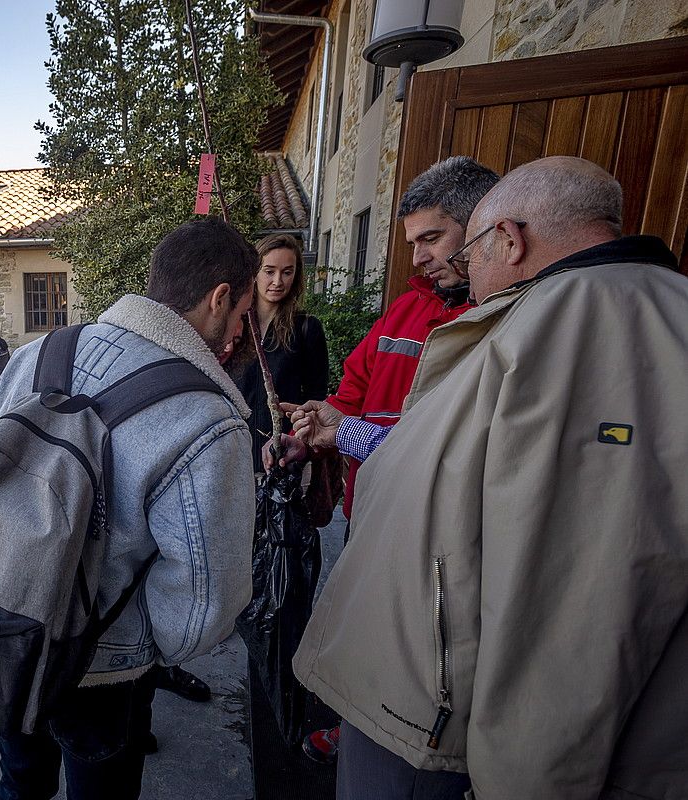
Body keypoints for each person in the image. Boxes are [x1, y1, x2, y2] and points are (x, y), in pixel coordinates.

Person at [287, 156, 688, 799]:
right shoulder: (523, 317)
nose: (461, 267)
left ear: (508, 238)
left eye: (455, 244)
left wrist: (522, 776)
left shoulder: (567, 330)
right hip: (423, 688)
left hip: (441, 711)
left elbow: (580, 597)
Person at [0, 217, 277, 800]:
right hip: (104, 663)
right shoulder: (207, 418)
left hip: (5, 623)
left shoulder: (39, 353)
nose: (241, 331)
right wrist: (144, 649)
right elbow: (203, 607)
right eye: (244, 313)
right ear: (220, 299)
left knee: (19, 779)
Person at [297, 155, 499, 765]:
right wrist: (320, 415)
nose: (418, 256)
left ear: (486, 227)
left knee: (422, 654)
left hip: (440, 532)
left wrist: (346, 434)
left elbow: (446, 451)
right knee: (366, 630)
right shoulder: (409, 309)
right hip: (371, 506)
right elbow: (353, 387)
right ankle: (356, 724)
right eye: (413, 241)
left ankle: (399, 748)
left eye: (433, 238)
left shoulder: (500, 324)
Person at [233, 233, 328, 470]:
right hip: (234, 450)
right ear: (254, 273)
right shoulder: (233, 326)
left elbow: (316, 396)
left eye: (287, 272)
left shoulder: (306, 327)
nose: (278, 281)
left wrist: (297, 437)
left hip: (282, 454)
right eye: (269, 271)